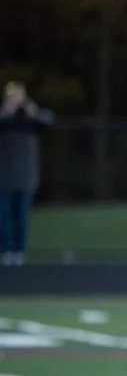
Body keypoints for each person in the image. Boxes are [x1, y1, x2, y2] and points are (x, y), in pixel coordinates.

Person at [0, 81, 54, 266]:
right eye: (12, 96)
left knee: (21, 217)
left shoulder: (31, 120)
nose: (16, 100)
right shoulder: (5, 119)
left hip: (26, 178)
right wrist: (8, 110)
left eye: (18, 96)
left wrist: (30, 110)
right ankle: (6, 251)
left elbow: (47, 121)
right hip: (4, 178)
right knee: (4, 218)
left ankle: (19, 252)